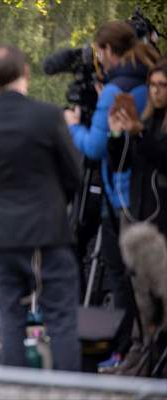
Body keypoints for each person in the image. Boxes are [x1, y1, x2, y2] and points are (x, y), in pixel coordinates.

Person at [0, 44, 82, 371]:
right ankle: (68, 392)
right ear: (25, 73)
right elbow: (74, 174)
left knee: (11, 317)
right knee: (60, 317)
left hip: (3, 235)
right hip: (47, 233)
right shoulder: (48, 116)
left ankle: (14, 389)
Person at [64, 21, 160, 368]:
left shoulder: (115, 90)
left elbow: (94, 146)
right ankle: (139, 345)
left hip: (121, 195)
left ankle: (124, 348)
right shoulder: (146, 77)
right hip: (145, 192)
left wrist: (74, 125)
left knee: (121, 273)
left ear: (106, 51)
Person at [109, 59, 167, 235]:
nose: (155, 91)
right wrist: (116, 134)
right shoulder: (146, 121)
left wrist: (141, 135)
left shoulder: (144, 128)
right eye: (152, 85)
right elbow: (121, 164)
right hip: (140, 216)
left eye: (162, 85)